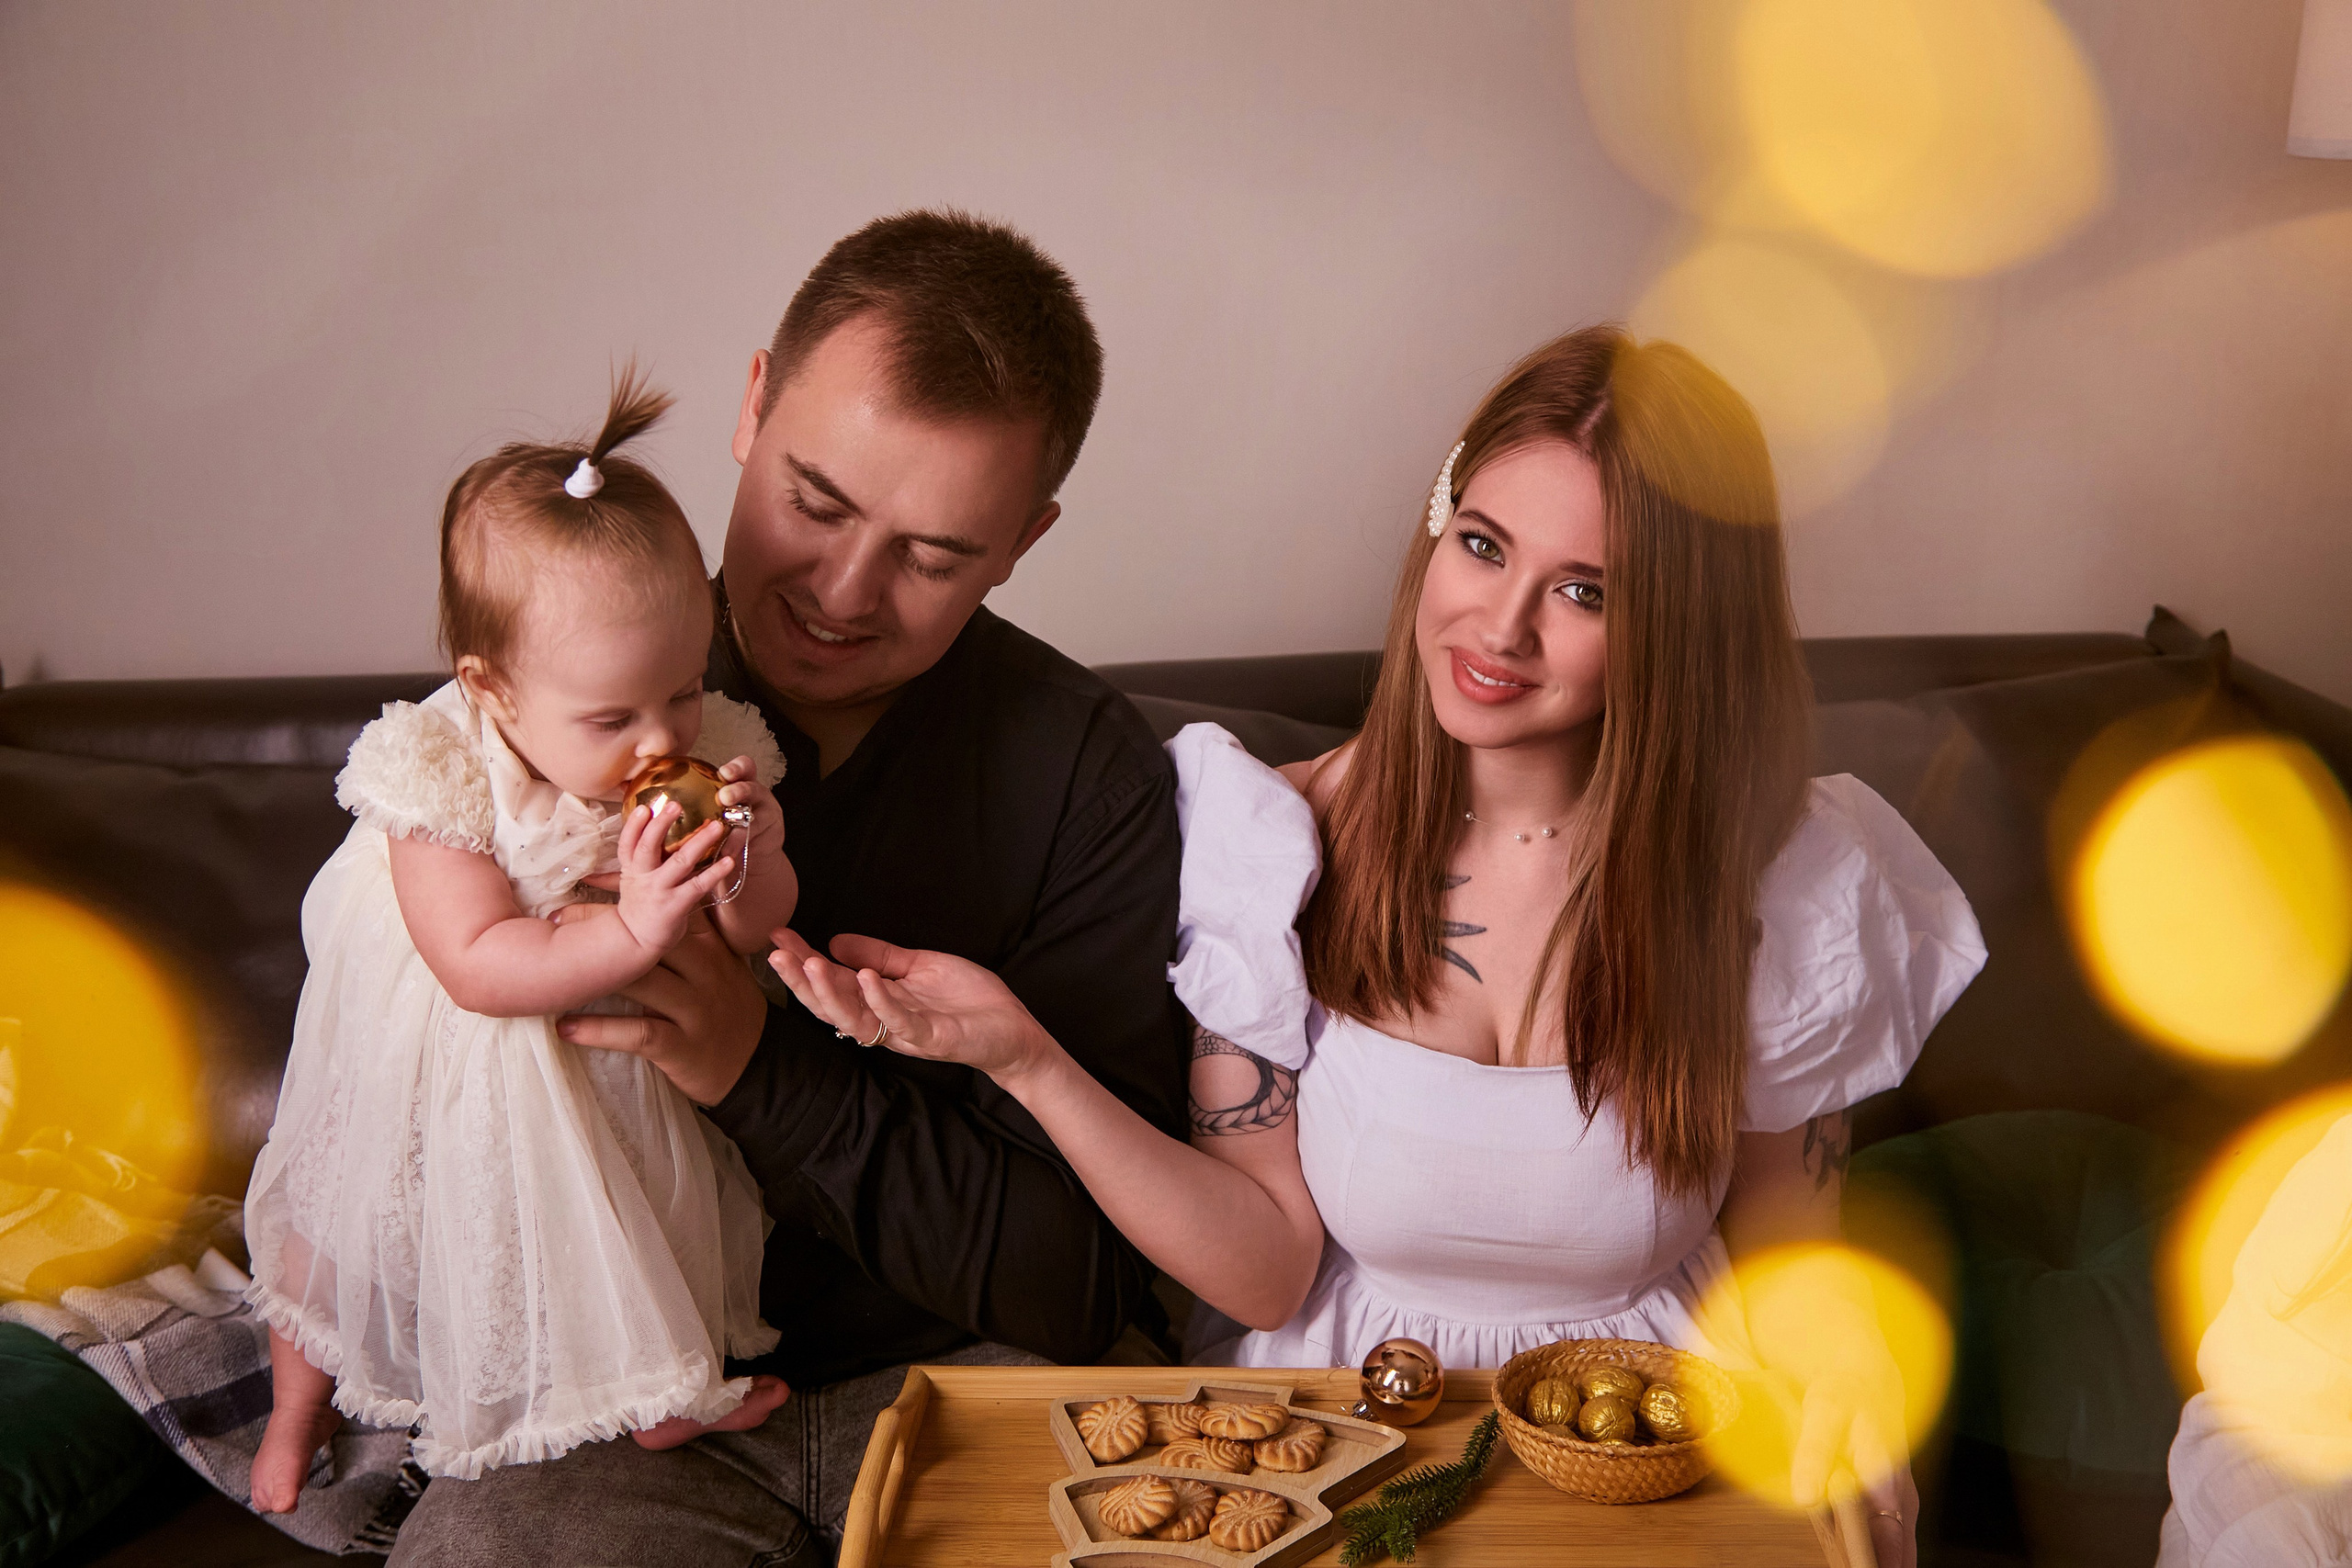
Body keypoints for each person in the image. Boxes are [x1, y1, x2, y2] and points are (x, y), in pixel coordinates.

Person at [774, 325, 1988, 1568]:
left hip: (1649, 1450)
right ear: (1436, 525)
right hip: (1346, 1435)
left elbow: (1790, 1251)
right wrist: (1024, 1055)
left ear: (1678, 629)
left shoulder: (1782, 874)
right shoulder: (1274, 844)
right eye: (1482, 543)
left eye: (1585, 590)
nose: (1500, 625)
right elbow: (1259, 1267)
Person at [387, 211, 1189, 1566]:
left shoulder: (1087, 780)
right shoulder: (521, 725)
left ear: (1025, 539)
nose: (841, 589)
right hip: (613, 1416)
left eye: (934, 556)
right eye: (816, 503)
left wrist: (752, 1062)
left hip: (974, 1380)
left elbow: (1080, 1278)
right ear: (754, 404)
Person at [243, 370, 797, 1509]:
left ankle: (663, 1390)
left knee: (641, 1209)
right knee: (345, 1245)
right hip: (449, 1071)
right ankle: (291, 1413)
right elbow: (480, 968)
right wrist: (641, 924)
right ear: (489, 685)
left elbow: (757, 927)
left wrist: (748, 861)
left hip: (616, 1070)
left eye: (685, 690)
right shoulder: (437, 773)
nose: (663, 737)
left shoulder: (712, 745)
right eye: (613, 719)